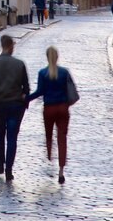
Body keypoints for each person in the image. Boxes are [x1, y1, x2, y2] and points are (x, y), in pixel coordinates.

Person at [0, 34, 30, 181]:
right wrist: (24, 101)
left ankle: (0, 164)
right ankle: (9, 168)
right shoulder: (19, 64)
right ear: (11, 46)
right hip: (15, 105)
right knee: (12, 138)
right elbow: (26, 87)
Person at [26, 46, 74, 184]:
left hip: (49, 108)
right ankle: (61, 170)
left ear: (47, 57)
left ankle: (49, 154)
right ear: (57, 57)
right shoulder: (65, 72)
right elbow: (71, 91)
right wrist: (67, 104)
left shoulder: (43, 73)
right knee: (62, 138)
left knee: (49, 134)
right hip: (63, 108)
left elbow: (39, 91)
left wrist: (25, 99)